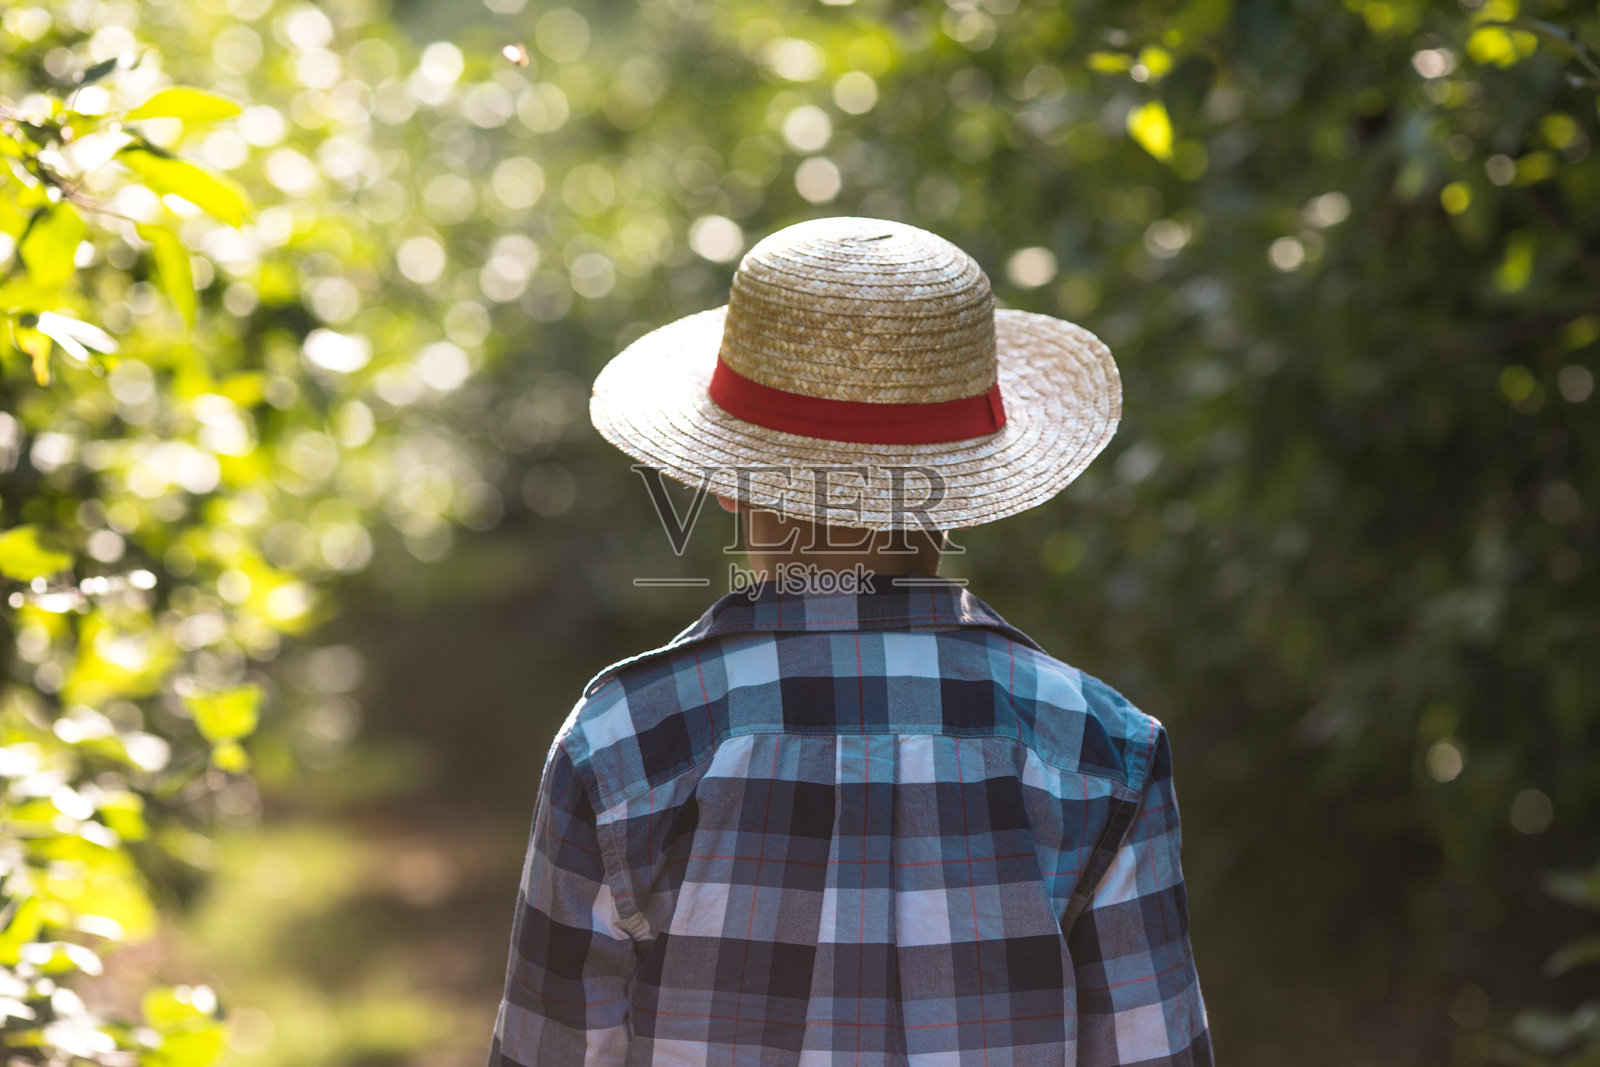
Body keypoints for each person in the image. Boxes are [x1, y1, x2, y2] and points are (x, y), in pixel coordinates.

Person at [488, 217, 1212, 1065]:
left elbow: (551, 1049)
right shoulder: (1098, 746)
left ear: (727, 482)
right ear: (966, 485)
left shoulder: (625, 739)